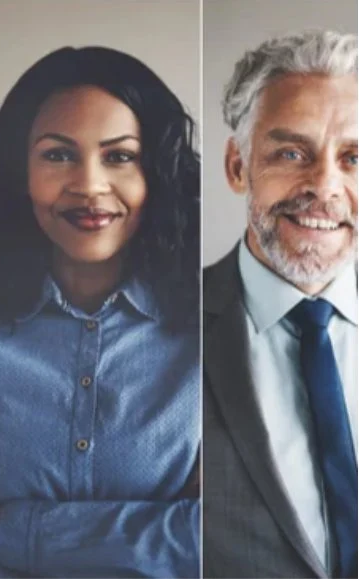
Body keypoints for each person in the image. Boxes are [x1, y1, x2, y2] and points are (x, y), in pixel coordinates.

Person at [0, 46, 201, 577]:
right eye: (58, 155)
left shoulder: (210, 338)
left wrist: (3, 532)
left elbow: (204, 539)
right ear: (20, 174)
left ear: (158, 173)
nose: (89, 185)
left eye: (119, 156)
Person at [203, 29, 357, 578]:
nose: (325, 186)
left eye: (354, 157)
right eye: (292, 153)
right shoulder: (169, 328)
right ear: (238, 166)